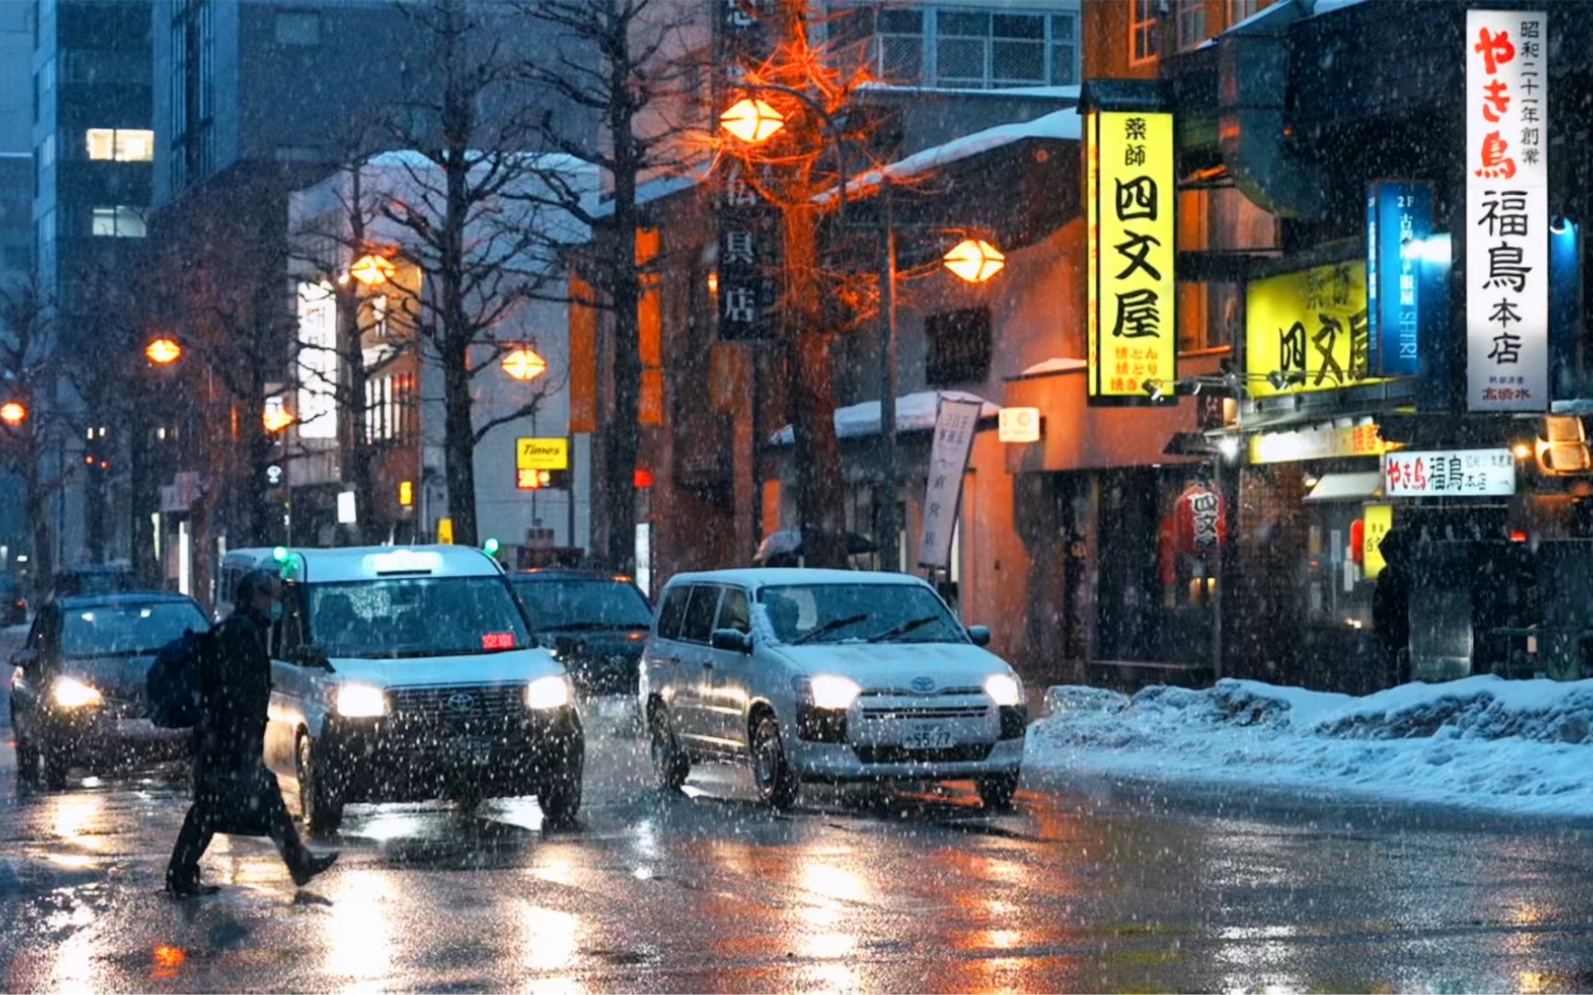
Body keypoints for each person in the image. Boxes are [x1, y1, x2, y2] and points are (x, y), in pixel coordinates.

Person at [165, 569, 338, 896]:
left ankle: (181, 874)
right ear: (254, 598)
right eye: (270, 596)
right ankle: (297, 863)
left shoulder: (243, 629)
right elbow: (236, 693)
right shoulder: (240, 633)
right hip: (227, 740)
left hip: (222, 739)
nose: (274, 604)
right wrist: (240, 738)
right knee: (224, 805)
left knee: (210, 808)